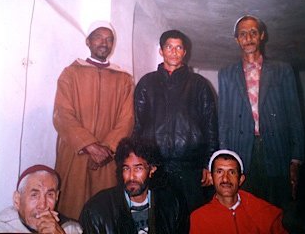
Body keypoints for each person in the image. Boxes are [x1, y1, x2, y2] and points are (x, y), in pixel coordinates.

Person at [218, 15, 304, 209]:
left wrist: (296, 159)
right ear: (237, 40)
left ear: (262, 36)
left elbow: (295, 117)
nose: (248, 38)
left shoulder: (282, 70)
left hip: (276, 150)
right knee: (247, 209)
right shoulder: (226, 74)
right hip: (241, 152)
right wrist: (225, 159)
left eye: (253, 33)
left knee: (276, 210)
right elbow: (223, 121)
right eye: (242, 34)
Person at [53, 21, 134, 219]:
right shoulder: (70, 73)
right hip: (76, 153)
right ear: (88, 41)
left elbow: (127, 119)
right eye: (98, 37)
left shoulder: (123, 79)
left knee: (104, 214)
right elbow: (62, 114)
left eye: (109, 39)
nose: (104, 43)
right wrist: (89, 145)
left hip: (108, 158)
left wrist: (106, 148)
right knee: (70, 214)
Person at [133, 29, 218, 213]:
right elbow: (138, 126)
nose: (173, 51)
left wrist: (208, 164)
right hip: (155, 166)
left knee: (192, 218)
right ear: (161, 51)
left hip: (190, 167)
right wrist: (139, 162)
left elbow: (211, 126)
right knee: (158, 218)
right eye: (169, 47)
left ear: (184, 52)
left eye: (178, 47)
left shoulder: (199, 84)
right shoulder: (146, 83)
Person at [79, 137, 189, 234]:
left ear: (152, 170)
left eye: (138, 168)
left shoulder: (173, 204)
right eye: (126, 168)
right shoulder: (97, 210)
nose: (131, 176)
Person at [190, 150, 288, 234]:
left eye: (232, 172)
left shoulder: (264, 212)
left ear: (241, 179)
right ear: (211, 178)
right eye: (219, 172)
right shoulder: (200, 218)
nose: (225, 179)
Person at [0, 164, 83, 233]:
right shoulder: (1, 227)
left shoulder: (70, 229)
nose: (42, 205)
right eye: (34, 195)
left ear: (57, 197)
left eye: (50, 194)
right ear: (17, 200)